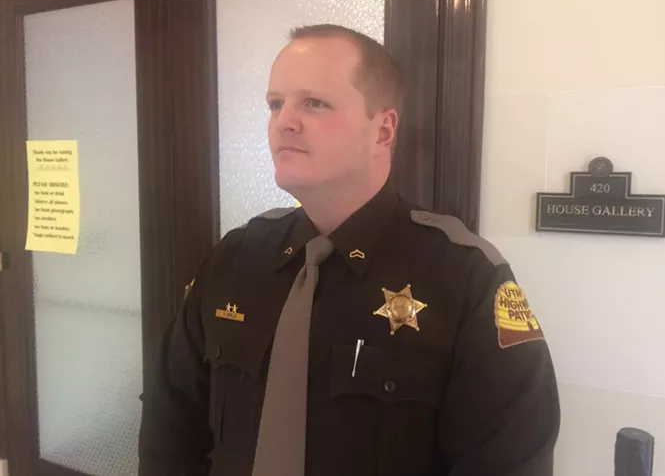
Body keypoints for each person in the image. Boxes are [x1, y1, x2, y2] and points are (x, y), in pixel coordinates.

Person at [138, 24, 560, 476]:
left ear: (383, 130)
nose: (284, 121)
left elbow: (508, 461)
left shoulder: (466, 276)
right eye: (275, 103)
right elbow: (171, 432)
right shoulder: (233, 260)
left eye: (314, 103)